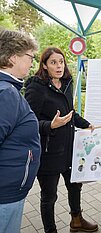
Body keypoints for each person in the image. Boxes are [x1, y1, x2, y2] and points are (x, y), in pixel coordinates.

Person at [24, 47, 98, 233]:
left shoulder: (67, 83)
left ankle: (77, 221)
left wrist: (86, 123)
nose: (59, 66)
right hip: (48, 153)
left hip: (70, 149)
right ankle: (51, 230)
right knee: (49, 197)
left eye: (61, 62)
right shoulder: (36, 87)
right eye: (53, 62)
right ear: (44, 66)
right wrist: (50, 125)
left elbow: (69, 113)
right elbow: (29, 122)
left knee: (75, 187)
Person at [0, 30, 41, 233]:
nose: (32, 63)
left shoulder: (8, 89)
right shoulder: (6, 93)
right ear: (12, 57)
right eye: (30, 57)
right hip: (5, 194)